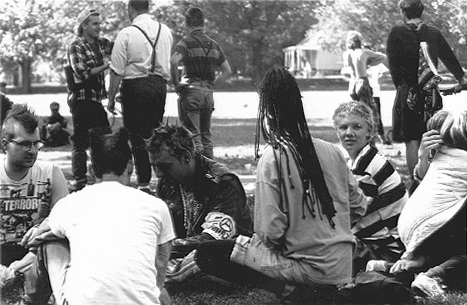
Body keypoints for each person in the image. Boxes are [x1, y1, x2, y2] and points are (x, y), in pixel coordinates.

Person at [194, 68, 367, 304]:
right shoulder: (332, 150)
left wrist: (299, 239)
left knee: (209, 253)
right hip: (341, 264)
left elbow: (269, 233)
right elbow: (358, 206)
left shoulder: (273, 157)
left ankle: (290, 289)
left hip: (304, 268)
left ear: (267, 114)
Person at [22, 127, 175, 305]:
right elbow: (161, 264)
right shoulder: (157, 206)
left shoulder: (70, 204)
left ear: (91, 170)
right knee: (162, 296)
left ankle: (28, 302)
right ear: (130, 166)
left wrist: (43, 233)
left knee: (50, 242)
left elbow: (38, 238)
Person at [146, 124, 252, 283]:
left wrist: (161, 248)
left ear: (187, 157)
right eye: (154, 167)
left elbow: (212, 239)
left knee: (204, 255)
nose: (159, 174)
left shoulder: (222, 182)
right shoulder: (167, 183)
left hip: (224, 254)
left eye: (164, 166)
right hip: (185, 253)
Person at [386, 0, 465, 193]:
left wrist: (404, 89)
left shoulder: (397, 33)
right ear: (421, 12)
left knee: (412, 140)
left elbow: (394, 68)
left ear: (403, 13)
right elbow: (449, 57)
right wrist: (461, 78)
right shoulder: (433, 32)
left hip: (408, 93)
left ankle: (417, 184)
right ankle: (434, 178)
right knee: (432, 135)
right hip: (431, 92)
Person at [389, 110, 466, 298]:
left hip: (410, 225)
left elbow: (421, 177)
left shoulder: (441, 156)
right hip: (431, 224)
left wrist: (424, 156)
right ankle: (433, 277)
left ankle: (404, 265)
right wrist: (423, 155)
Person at [0, 104, 69, 299]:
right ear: (5, 144)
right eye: (24, 144)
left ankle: (65, 299)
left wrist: (22, 267)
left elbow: (66, 226)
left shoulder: (51, 173)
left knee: (58, 246)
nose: (32, 150)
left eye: (36, 144)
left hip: (35, 258)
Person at [332, 101, 408, 275]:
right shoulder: (361, 160)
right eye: (343, 127)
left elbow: (350, 214)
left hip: (386, 247)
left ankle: (381, 267)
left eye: (357, 127)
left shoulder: (367, 166)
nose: (349, 133)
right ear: (337, 132)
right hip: (377, 241)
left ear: (370, 132)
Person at [107, 0, 173, 194]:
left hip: (135, 87)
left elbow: (117, 70)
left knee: (136, 137)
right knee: (155, 135)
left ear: (131, 9)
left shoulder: (126, 33)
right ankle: (163, 180)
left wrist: (111, 98)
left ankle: (144, 183)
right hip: (159, 87)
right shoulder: (166, 31)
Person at [170, 7, 232, 159]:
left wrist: (176, 84)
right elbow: (227, 71)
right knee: (206, 138)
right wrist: (211, 88)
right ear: (203, 23)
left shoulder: (186, 43)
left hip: (191, 92)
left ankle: (197, 175)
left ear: (187, 24)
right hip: (207, 95)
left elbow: (173, 60)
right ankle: (210, 173)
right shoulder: (214, 45)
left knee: (193, 137)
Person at [67, 9, 113, 191]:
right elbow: (81, 71)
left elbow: (118, 47)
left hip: (95, 100)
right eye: (95, 23)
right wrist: (106, 66)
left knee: (102, 138)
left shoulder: (101, 43)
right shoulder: (76, 45)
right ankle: (80, 181)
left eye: (100, 23)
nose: (99, 27)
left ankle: (99, 176)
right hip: (81, 99)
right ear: (84, 25)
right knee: (81, 141)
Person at [342, 31, 387, 136]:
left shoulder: (347, 54)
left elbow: (347, 68)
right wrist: (369, 62)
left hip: (353, 84)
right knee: (371, 112)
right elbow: (382, 57)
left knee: (357, 112)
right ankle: (371, 136)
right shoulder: (364, 52)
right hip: (362, 82)